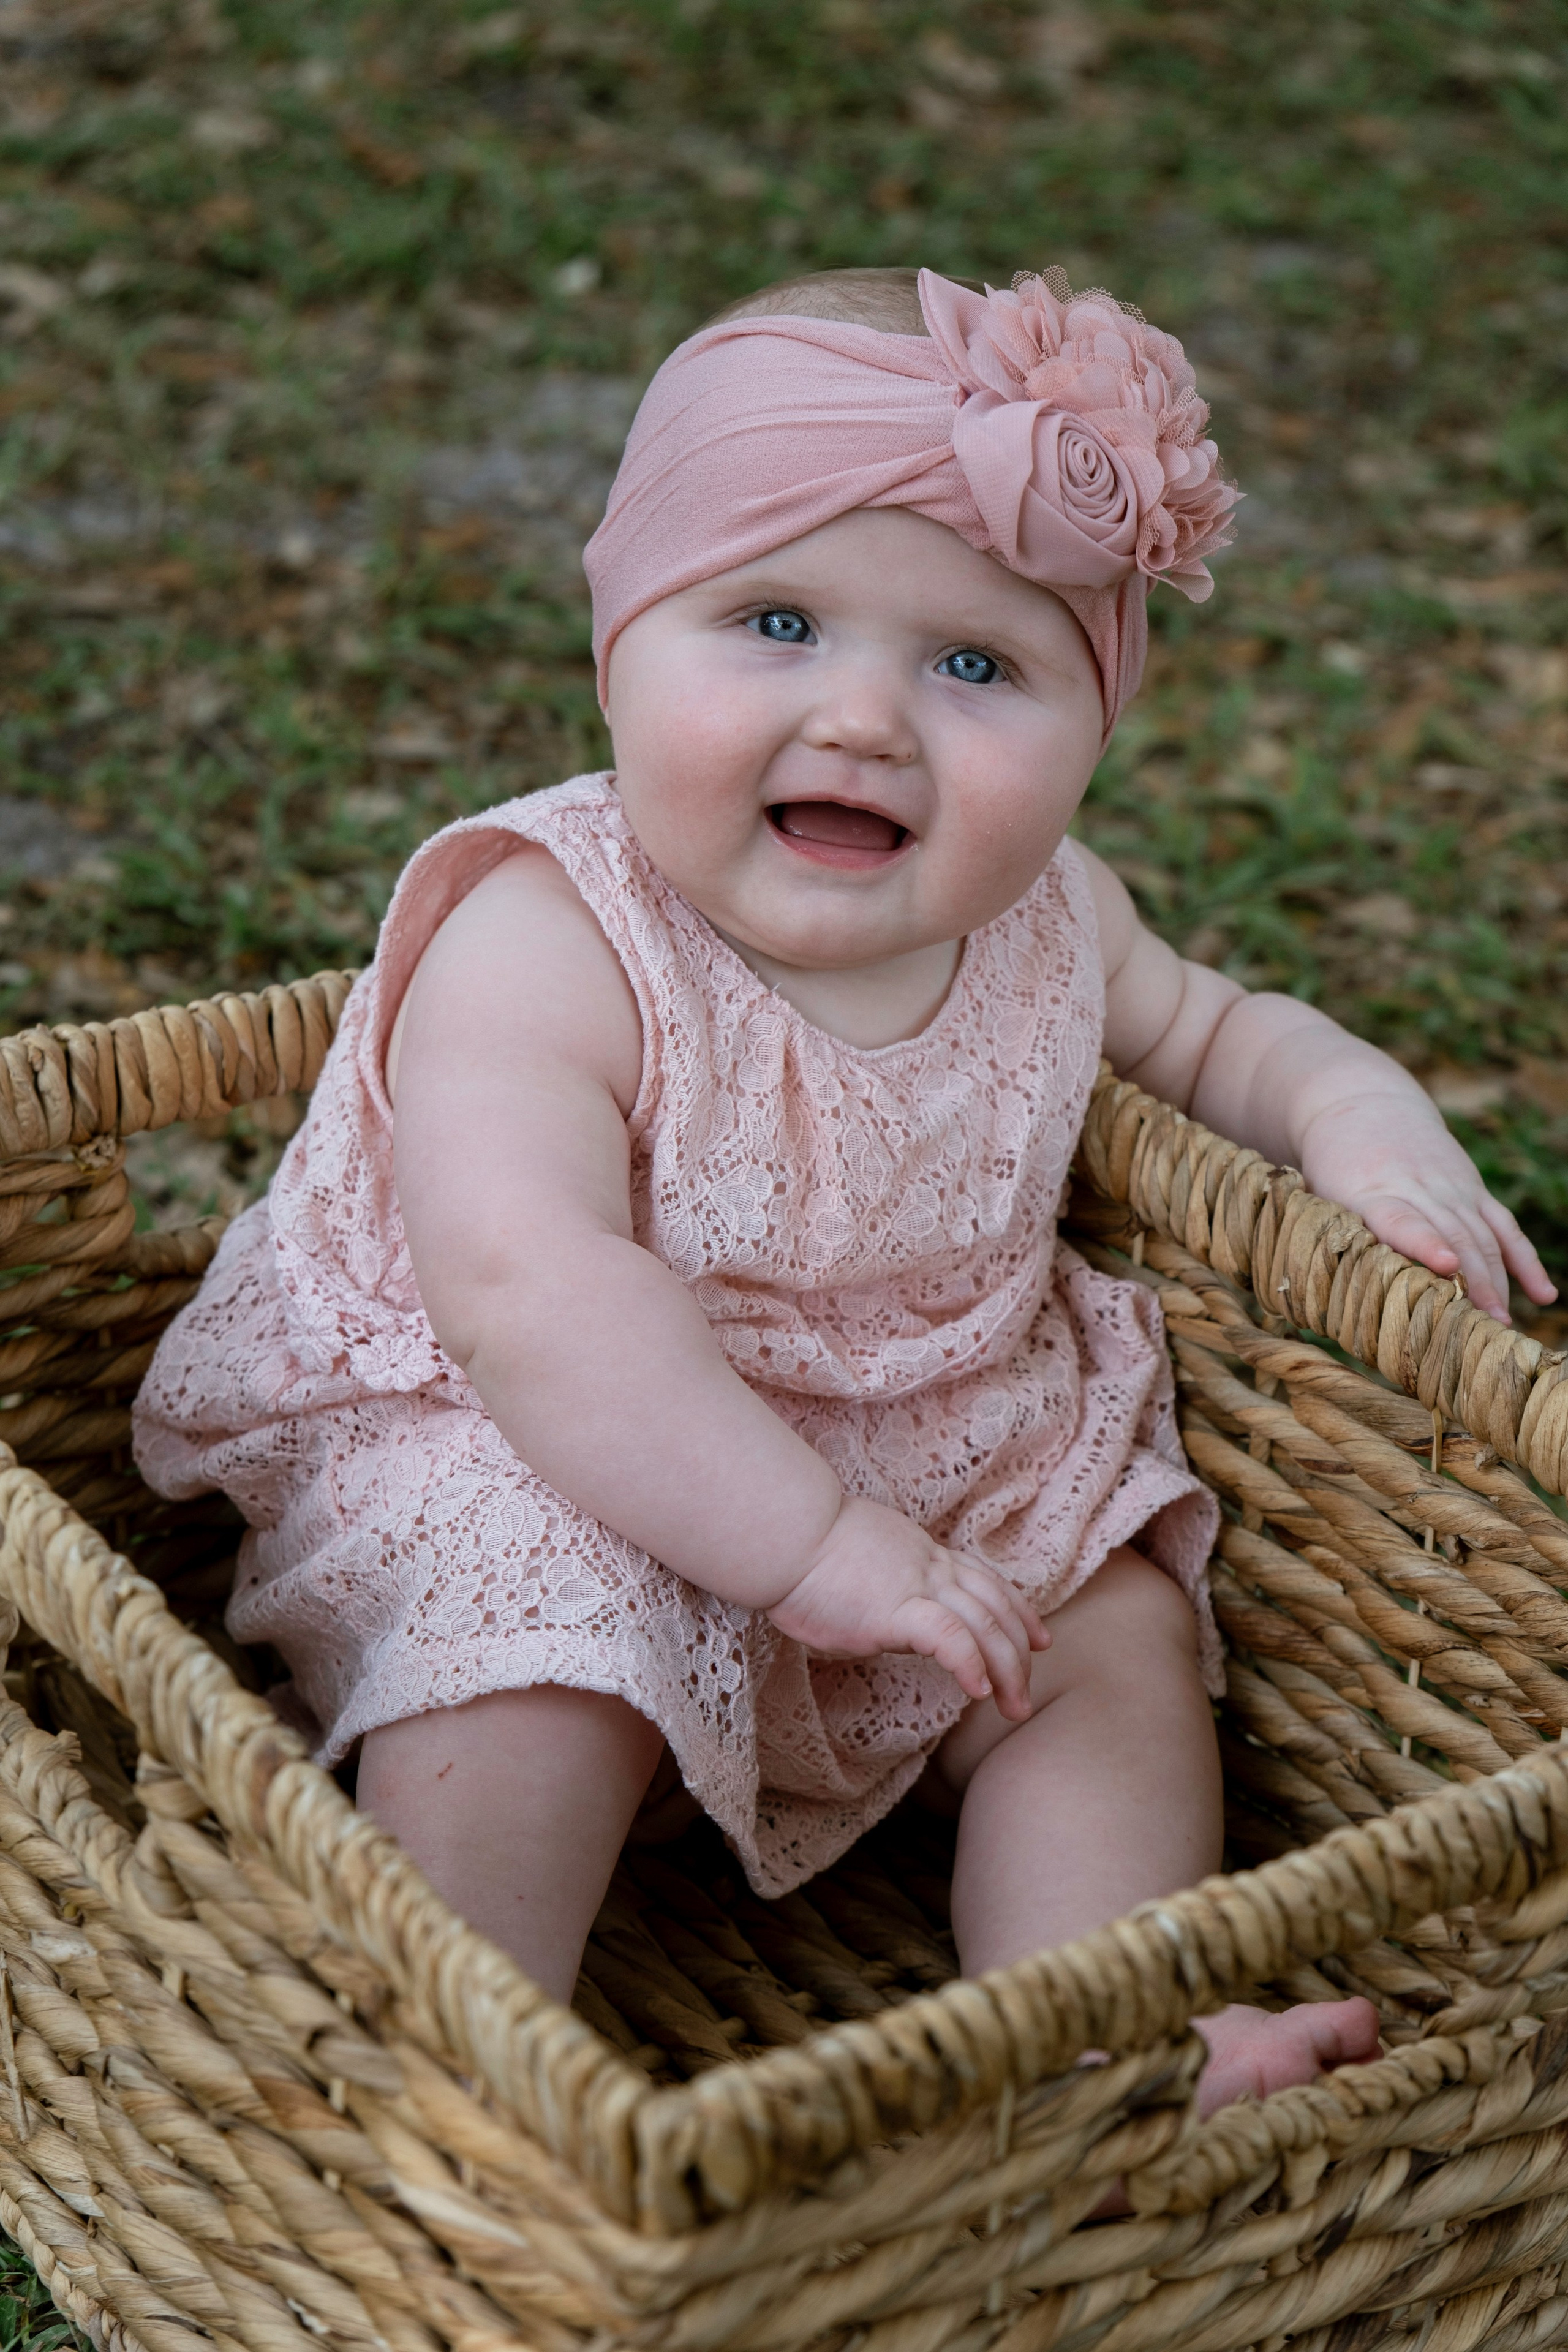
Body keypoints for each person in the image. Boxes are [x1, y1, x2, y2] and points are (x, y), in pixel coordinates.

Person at [133, 265, 1554, 2113]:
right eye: (778, 620)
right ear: (618, 642)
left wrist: (1356, 1114)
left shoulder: (1054, 921)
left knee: (1110, 1642)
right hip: (548, 1439)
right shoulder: (548, 934)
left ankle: (1101, 2030)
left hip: (941, 1443)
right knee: (533, 1654)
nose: (871, 718)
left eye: (978, 665)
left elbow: (1225, 1037)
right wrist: (809, 1550)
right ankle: (457, 2068)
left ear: (1096, 724)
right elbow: (524, 1286)